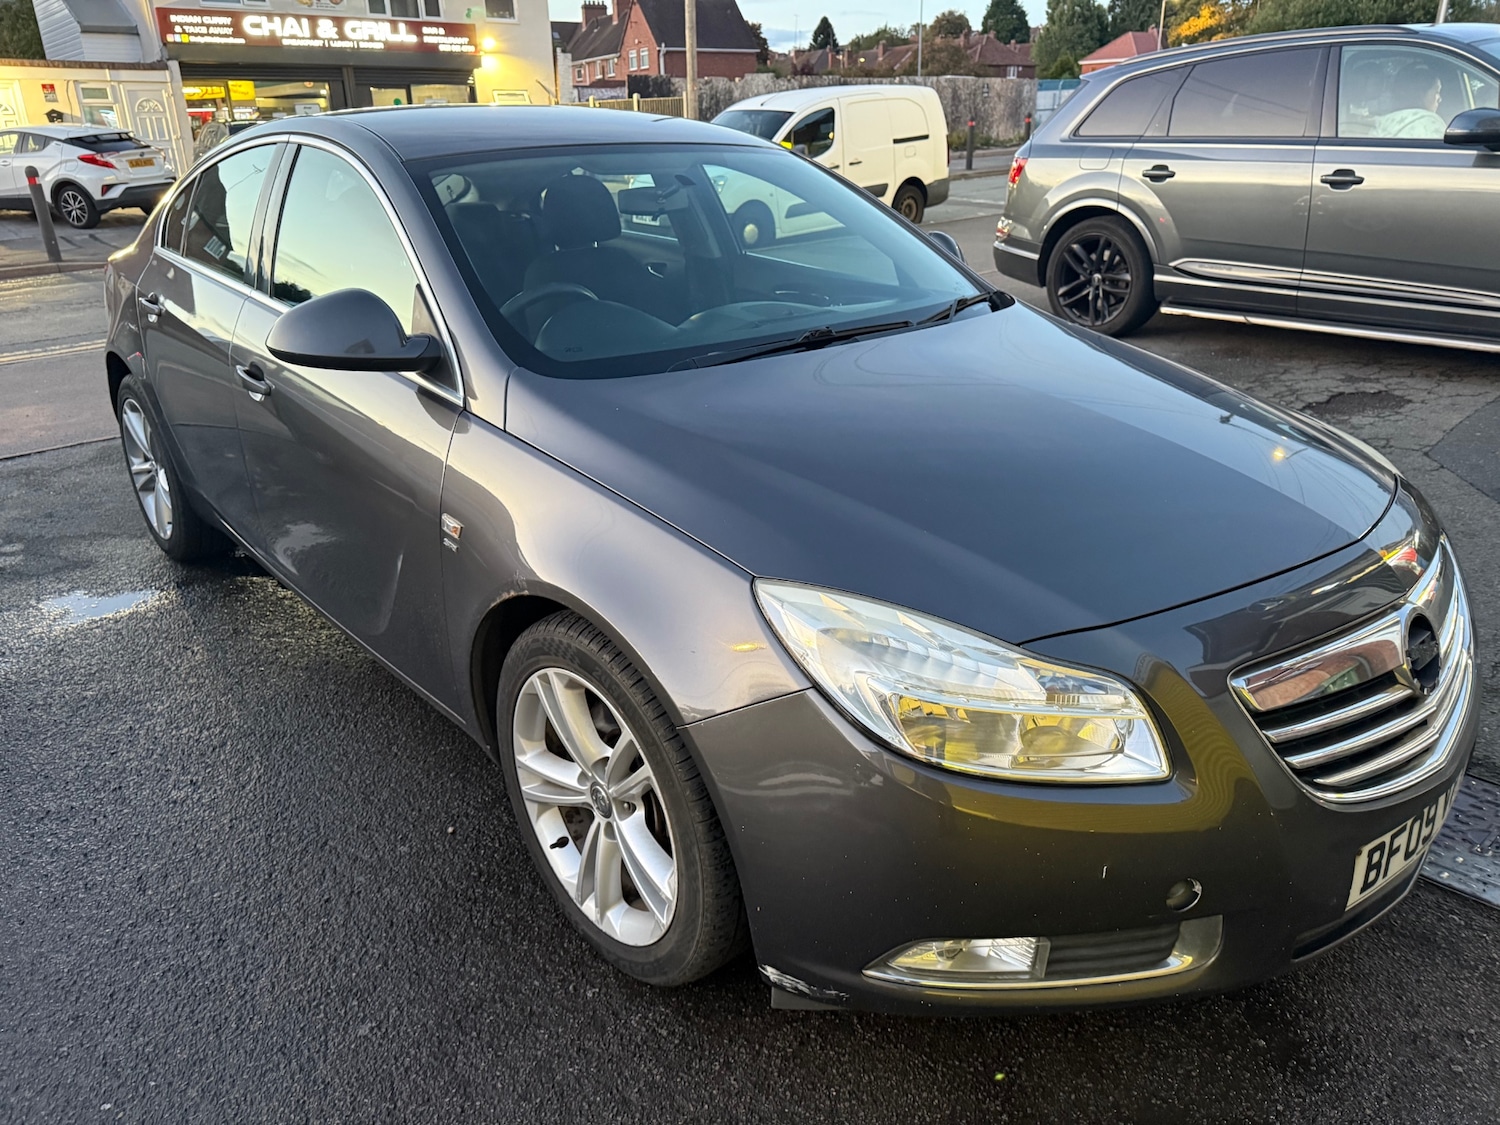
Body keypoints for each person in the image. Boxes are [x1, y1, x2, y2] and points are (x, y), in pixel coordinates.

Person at [1375, 64, 1448, 139]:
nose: (1440, 99)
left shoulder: (1381, 122)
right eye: (1437, 92)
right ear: (1421, 93)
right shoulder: (1431, 123)